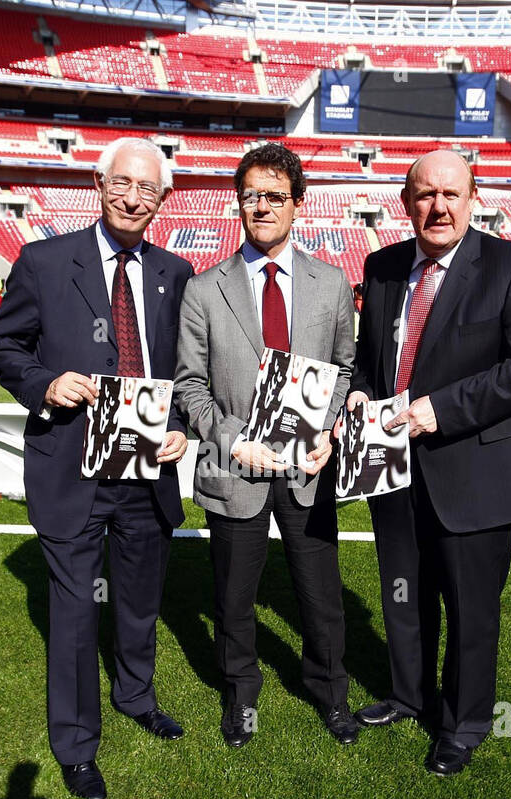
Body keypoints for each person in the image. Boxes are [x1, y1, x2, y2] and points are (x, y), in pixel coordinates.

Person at [0, 137, 195, 799]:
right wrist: (46, 383)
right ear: (99, 185)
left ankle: (136, 696)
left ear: (163, 200)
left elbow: (187, 373)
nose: (133, 198)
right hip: (70, 464)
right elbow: (1, 344)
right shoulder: (44, 262)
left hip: (144, 468)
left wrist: (182, 426)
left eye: (148, 190)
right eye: (122, 184)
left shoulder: (176, 273)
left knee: (138, 600)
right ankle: (75, 744)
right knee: (74, 611)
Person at [345, 150, 511, 776]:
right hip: (392, 466)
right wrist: (361, 390)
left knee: (471, 607)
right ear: (405, 200)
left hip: (475, 471)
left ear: (474, 197)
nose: (437, 207)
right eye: (424, 194)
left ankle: (463, 724)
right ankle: (408, 696)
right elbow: (371, 356)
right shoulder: (384, 265)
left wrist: (437, 409)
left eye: (451, 194)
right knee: (403, 595)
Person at [174, 143, 358, 748]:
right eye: (251, 195)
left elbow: (344, 371)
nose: (262, 207)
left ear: (298, 205)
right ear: (239, 202)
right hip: (235, 468)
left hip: (306, 465)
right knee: (233, 599)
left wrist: (326, 430)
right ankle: (241, 693)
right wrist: (232, 441)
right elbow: (190, 385)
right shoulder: (204, 290)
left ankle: (330, 692)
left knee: (320, 595)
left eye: (275, 196)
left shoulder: (331, 284)